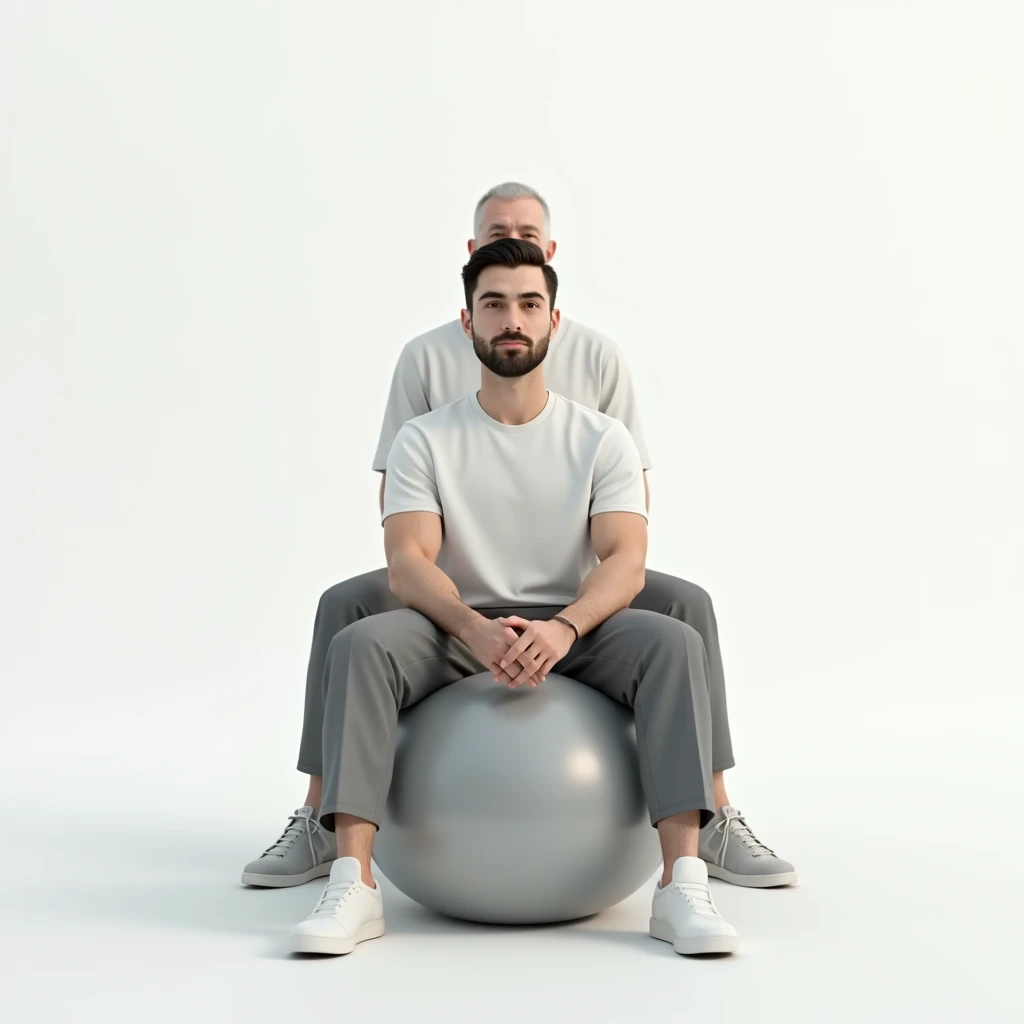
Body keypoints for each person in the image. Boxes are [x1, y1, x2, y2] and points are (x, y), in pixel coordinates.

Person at [241, 182, 795, 893]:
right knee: (344, 608)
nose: (518, 246)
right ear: (471, 261)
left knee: (684, 607)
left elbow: (627, 509)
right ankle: (321, 819)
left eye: (529, 235)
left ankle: (713, 814)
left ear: (551, 258)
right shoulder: (429, 358)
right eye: (500, 235)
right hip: (452, 551)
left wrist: (573, 608)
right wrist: (464, 609)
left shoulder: (595, 357)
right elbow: (401, 504)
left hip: (569, 555)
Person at [289, 238, 740, 956]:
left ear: (554, 322)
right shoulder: (424, 440)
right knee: (359, 645)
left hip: (576, 625)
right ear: (466, 323)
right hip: (457, 628)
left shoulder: (602, 439)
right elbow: (407, 563)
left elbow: (626, 561)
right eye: (493, 304)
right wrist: (472, 628)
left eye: (529, 304)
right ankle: (354, 882)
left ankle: (682, 880)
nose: (512, 319)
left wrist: (564, 628)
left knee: (676, 642)